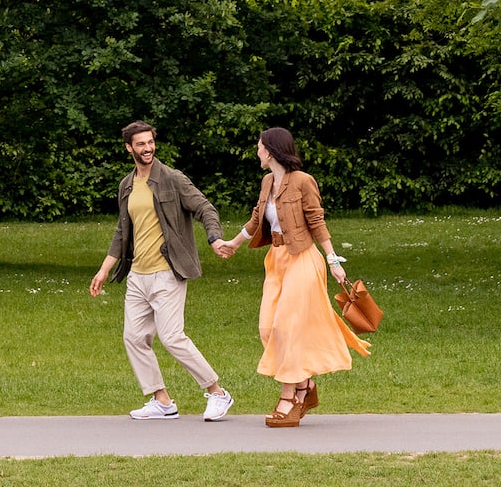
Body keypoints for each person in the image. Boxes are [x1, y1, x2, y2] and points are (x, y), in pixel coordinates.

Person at [212, 125, 367, 425]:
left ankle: (289, 398)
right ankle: (305, 386)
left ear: (270, 150)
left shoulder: (303, 181)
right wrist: (234, 242)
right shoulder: (268, 181)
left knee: (287, 328)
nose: (256, 151)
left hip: (303, 259)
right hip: (278, 260)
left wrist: (334, 260)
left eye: (259, 146)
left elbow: (316, 221)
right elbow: (258, 218)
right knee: (268, 328)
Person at [89, 121, 235, 420]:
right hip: (137, 275)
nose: (148, 148)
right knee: (133, 337)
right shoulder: (127, 185)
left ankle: (217, 393)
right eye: (140, 144)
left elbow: (205, 208)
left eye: (150, 142)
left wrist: (215, 237)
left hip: (167, 272)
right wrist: (105, 269)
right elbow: (122, 230)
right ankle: (162, 401)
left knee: (171, 337)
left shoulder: (172, 179)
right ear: (129, 147)